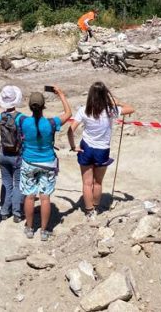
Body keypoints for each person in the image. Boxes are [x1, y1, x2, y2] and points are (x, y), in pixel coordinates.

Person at [67, 82, 135, 219]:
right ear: (105, 95)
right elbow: (131, 109)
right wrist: (117, 102)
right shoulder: (111, 111)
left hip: (86, 147)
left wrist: (73, 146)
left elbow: (70, 130)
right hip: (102, 149)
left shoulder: (84, 110)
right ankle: (96, 208)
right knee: (98, 182)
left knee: (87, 183)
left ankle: (89, 210)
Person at [18, 88, 71, 241]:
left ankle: (29, 228)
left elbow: (9, 113)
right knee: (45, 198)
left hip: (28, 161)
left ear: (30, 106)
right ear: (43, 106)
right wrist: (61, 94)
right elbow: (68, 113)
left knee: (29, 196)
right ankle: (43, 230)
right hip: (47, 162)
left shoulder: (22, 121)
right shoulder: (51, 123)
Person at [0, 85, 24, 223]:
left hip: (3, 153)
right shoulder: (21, 118)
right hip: (17, 154)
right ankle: (17, 212)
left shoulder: (0, 116)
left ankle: (4, 210)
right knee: (18, 183)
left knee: (6, 183)